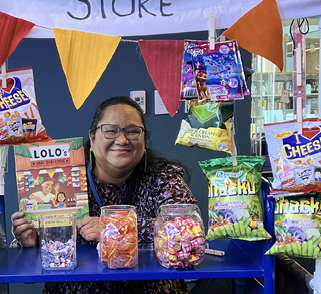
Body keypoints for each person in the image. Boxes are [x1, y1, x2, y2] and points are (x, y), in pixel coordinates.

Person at [11, 95, 198, 294]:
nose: (122, 139)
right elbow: (33, 271)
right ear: (91, 138)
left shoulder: (163, 176)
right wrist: (31, 245)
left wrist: (114, 229)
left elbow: (188, 228)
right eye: (110, 130)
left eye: (133, 131)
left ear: (144, 140)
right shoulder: (63, 180)